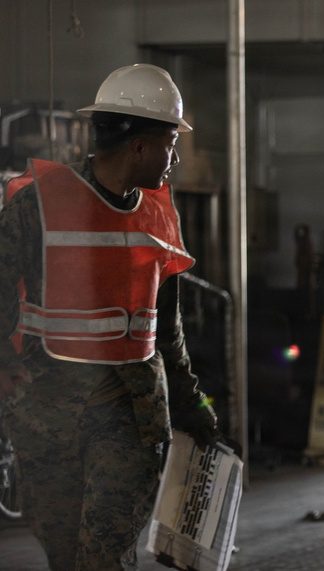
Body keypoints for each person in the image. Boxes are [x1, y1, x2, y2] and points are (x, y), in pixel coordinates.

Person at [0, 64, 219, 570]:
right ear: (140, 146)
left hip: (130, 414)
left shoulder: (160, 215)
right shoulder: (39, 207)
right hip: (46, 415)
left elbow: (167, 330)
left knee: (103, 554)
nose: (176, 156)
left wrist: (193, 407)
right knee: (64, 555)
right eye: (169, 141)